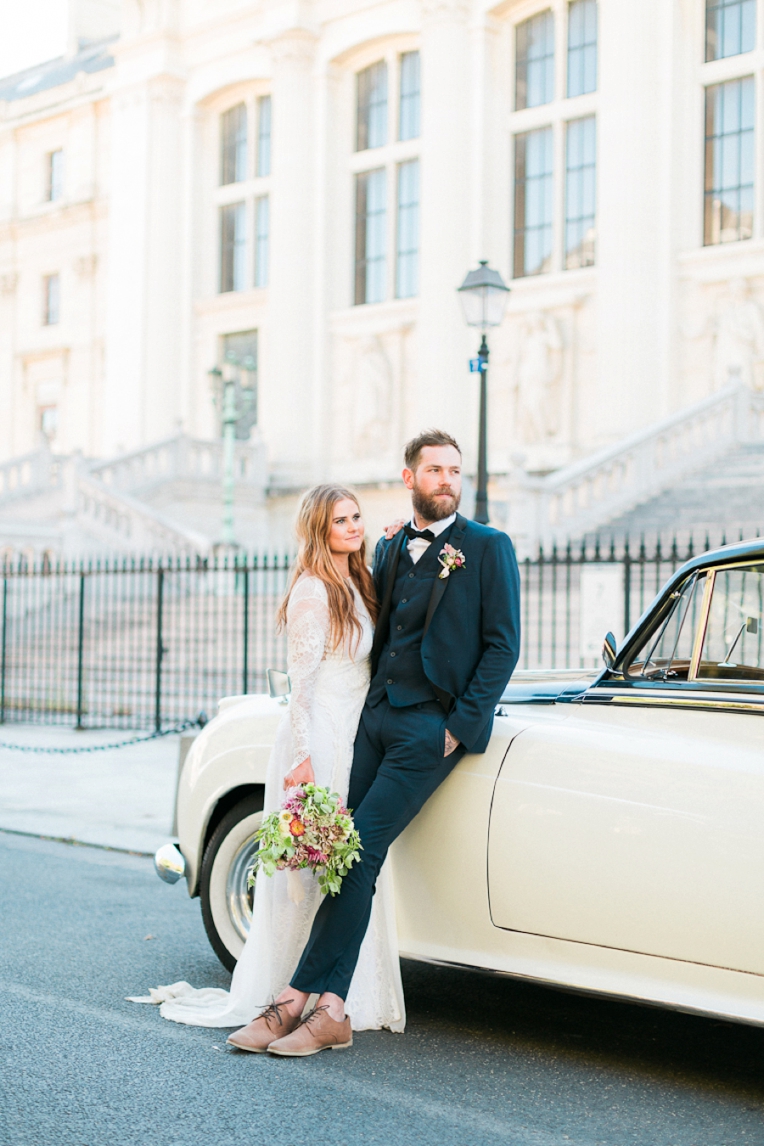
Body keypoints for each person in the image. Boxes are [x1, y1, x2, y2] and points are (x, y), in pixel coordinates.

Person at [230, 429, 521, 1056]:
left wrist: (456, 730)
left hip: (428, 733)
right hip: (370, 722)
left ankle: (295, 1002)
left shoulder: (489, 547)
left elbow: (503, 646)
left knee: (359, 853)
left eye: (454, 470)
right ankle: (330, 1009)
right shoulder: (387, 548)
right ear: (410, 477)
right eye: (433, 470)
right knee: (341, 856)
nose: (446, 479)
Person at [130, 484, 406, 1037]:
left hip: (357, 736)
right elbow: (299, 691)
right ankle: (286, 987)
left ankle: (340, 990)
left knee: (351, 864)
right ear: (318, 530)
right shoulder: (311, 592)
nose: (354, 527)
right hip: (320, 741)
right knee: (311, 871)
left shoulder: (359, 580)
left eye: (357, 517)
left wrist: (395, 541)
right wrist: (300, 760)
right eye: (341, 521)